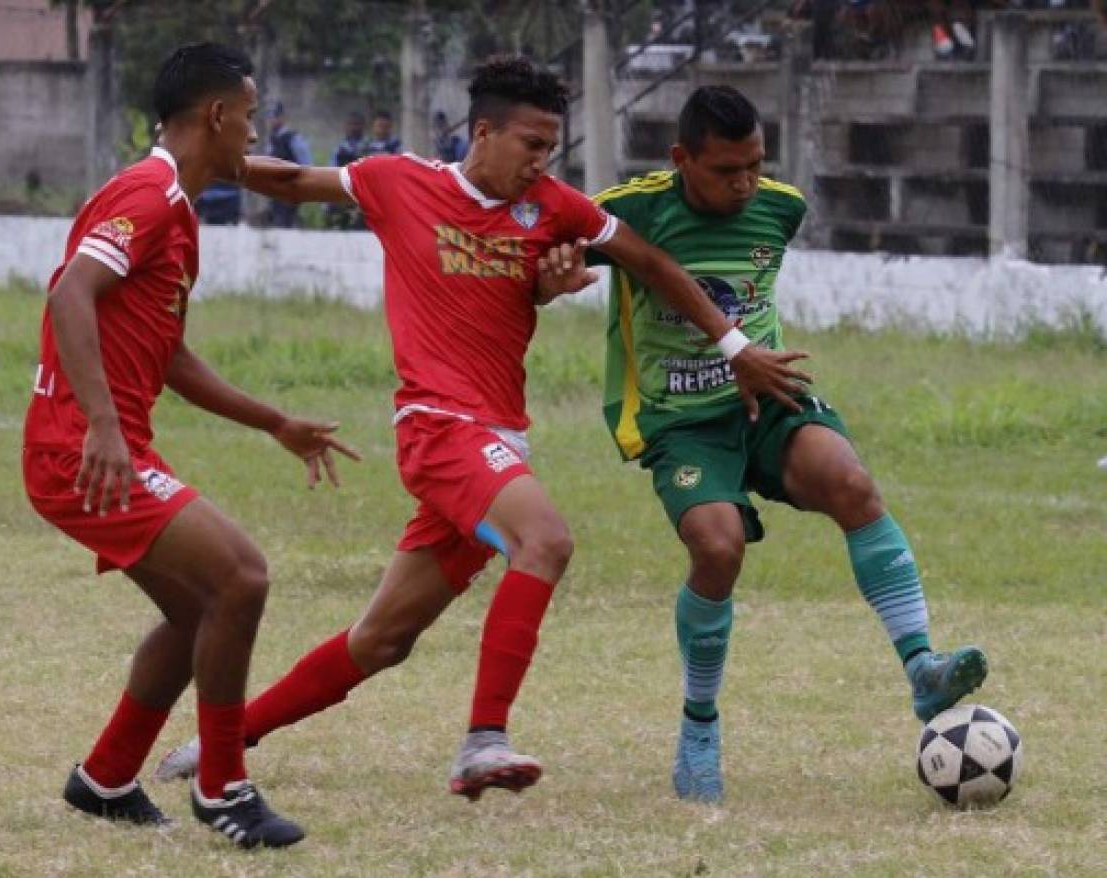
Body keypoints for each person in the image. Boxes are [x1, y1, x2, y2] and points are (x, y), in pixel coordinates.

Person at [153, 56, 809, 801]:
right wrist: (199, 161)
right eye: (530, 144)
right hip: (439, 429)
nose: (542, 162)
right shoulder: (402, 182)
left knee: (382, 640)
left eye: (551, 148)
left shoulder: (554, 209)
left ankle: (223, 738)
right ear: (484, 131)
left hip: (496, 443)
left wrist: (729, 346)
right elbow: (291, 182)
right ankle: (483, 740)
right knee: (547, 540)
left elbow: (652, 262)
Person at [546, 85, 988, 803]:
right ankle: (698, 727)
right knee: (717, 548)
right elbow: (549, 262)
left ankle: (921, 669)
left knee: (852, 483)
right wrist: (552, 282)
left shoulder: (782, 207)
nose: (746, 183)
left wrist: (751, 356)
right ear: (681, 159)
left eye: (755, 164)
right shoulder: (630, 208)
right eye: (726, 170)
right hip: (677, 417)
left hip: (769, 398)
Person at [21, 42, 358, 847]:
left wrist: (272, 421)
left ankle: (104, 778)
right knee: (240, 577)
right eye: (248, 115)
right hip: (80, 448)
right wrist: (103, 426)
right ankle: (223, 787)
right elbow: (71, 291)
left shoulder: (174, 208)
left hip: (101, 441)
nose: (253, 130)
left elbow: (165, 355)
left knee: (194, 610)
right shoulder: (149, 193)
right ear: (216, 115)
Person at [264, 100, 312, 228]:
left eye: (274, 116)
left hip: (291, 192)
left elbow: (306, 164)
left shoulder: (293, 138)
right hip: (275, 193)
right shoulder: (271, 140)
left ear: (282, 117)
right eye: (268, 116)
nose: (270, 120)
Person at [327, 112, 367, 230]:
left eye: (357, 124)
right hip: (342, 194)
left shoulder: (368, 146)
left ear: (363, 126)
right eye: (351, 124)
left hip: (362, 196)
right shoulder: (340, 149)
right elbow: (331, 171)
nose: (354, 128)